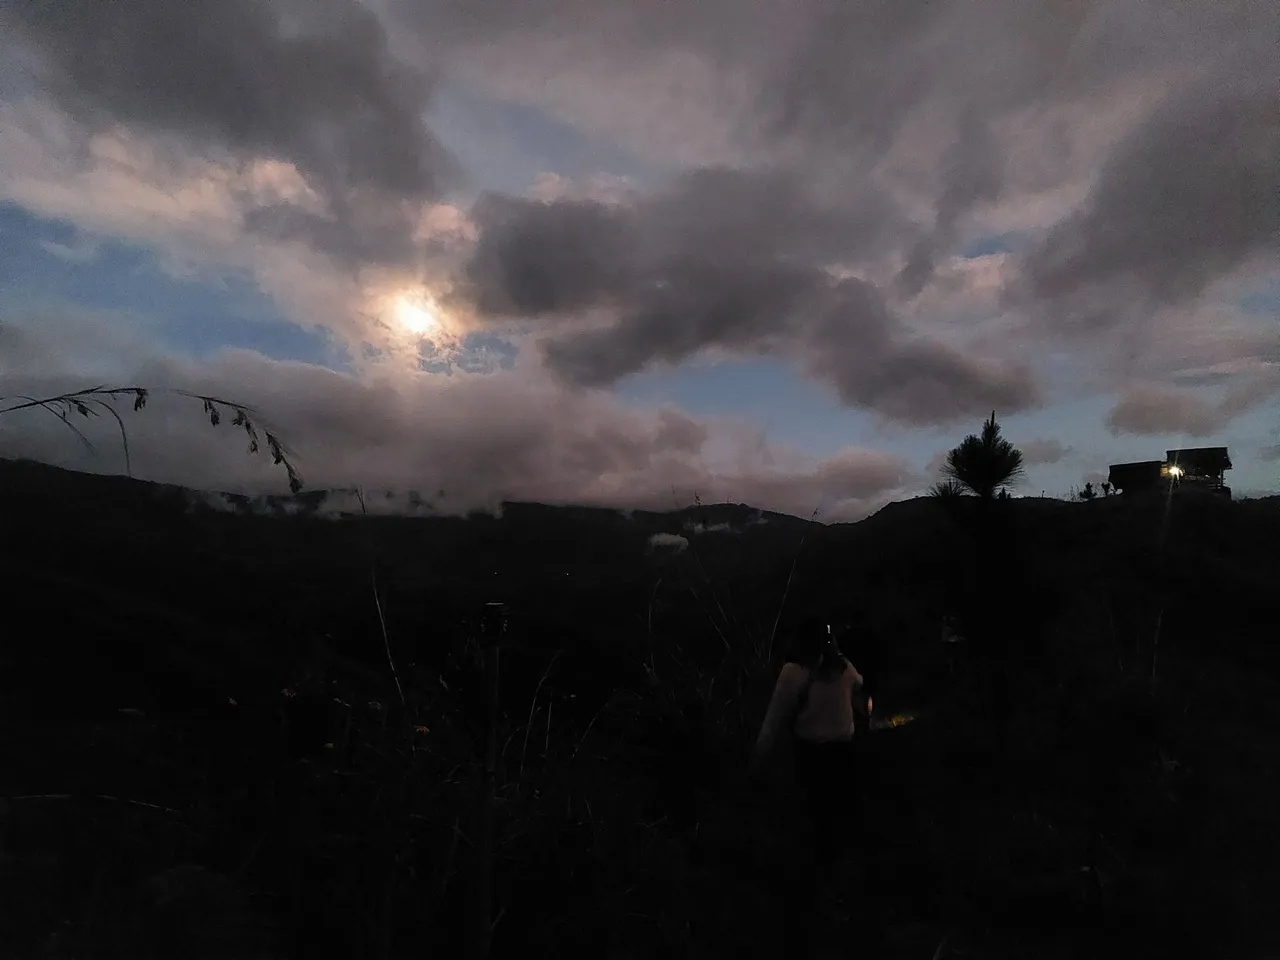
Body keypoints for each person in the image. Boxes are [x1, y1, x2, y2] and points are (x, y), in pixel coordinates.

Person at [752, 616, 868, 956]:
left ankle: (811, 903)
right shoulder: (843, 668)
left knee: (813, 827)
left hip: (811, 760)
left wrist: (756, 764)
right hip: (842, 758)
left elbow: (773, 724)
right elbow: (860, 685)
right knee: (835, 828)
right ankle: (832, 896)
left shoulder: (794, 673)